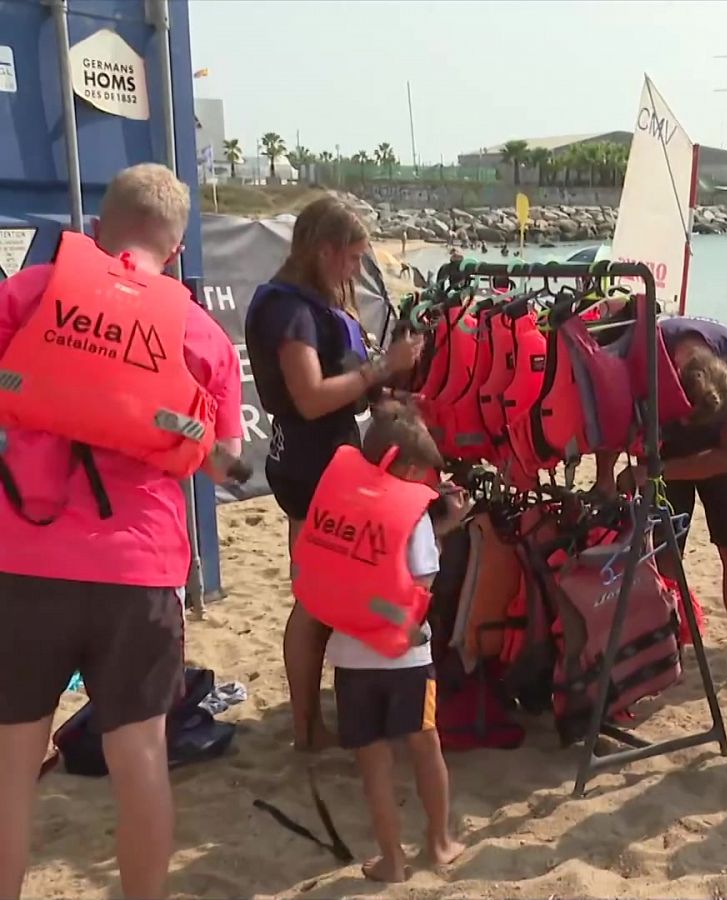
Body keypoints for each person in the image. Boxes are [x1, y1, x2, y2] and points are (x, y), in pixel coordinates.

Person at [0, 164, 244, 899]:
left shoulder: (28, 293)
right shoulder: (200, 334)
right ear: (175, 254)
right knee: (139, 760)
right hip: (138, 575)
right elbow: (228, 464)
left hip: (23, 562)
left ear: (96, 232)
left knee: (12, 768)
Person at [244, 195, 423, 751]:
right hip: (310, 466)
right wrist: (382, 366)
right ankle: (306, 728)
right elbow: (312, 397)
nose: (354, 271)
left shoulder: (310, 303)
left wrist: (387, 388)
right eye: (351, 260)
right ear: (324, 252)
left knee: (321, 591)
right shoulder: (290, 310)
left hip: (318, 461)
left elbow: (340, 383)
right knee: (314, 598)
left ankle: (316, 718)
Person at [297, 402, 467, 882]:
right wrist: (444, 529)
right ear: (409, 469)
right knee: (425, 747)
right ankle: (438, 842)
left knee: (373, 765)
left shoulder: (338, 496)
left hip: (350, 658)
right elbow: (421, 581)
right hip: (407, 658)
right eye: (427, 476)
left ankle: (392, 861)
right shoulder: (411, 516)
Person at [596, 317, 727, 699]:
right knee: (666, 556)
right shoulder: (644, 351)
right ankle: (671, 650)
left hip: (720, 457)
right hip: (662, 451)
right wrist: (606, 476)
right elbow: (612, 415)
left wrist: (650, 472)